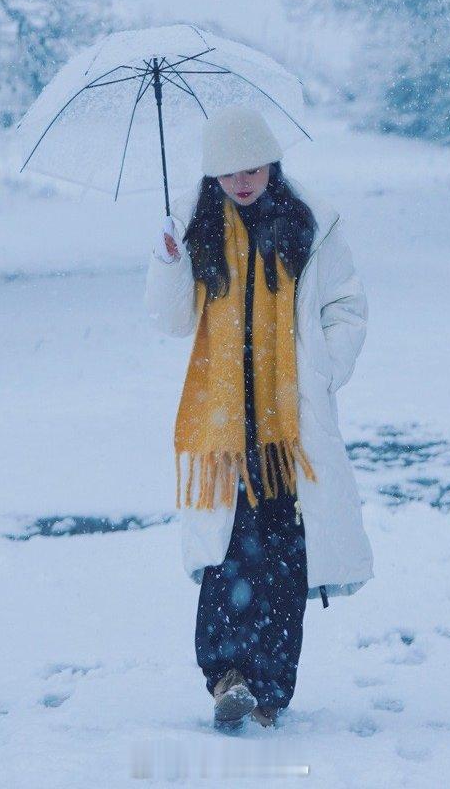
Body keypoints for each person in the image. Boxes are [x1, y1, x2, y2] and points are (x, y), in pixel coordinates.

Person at [145, 103, 373, 729]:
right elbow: (170, 321)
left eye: (252, 168)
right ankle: (227, 677)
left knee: (284, 561)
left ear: (272, 163)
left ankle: (272, 687)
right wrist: (168, 260)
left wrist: (322, 368)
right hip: (222, 434)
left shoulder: (309, 227)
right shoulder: (198, 231)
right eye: (227, 172)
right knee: (227, 561)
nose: (242, 182)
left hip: (290, 431)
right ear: (212, 176)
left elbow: (348, 308)